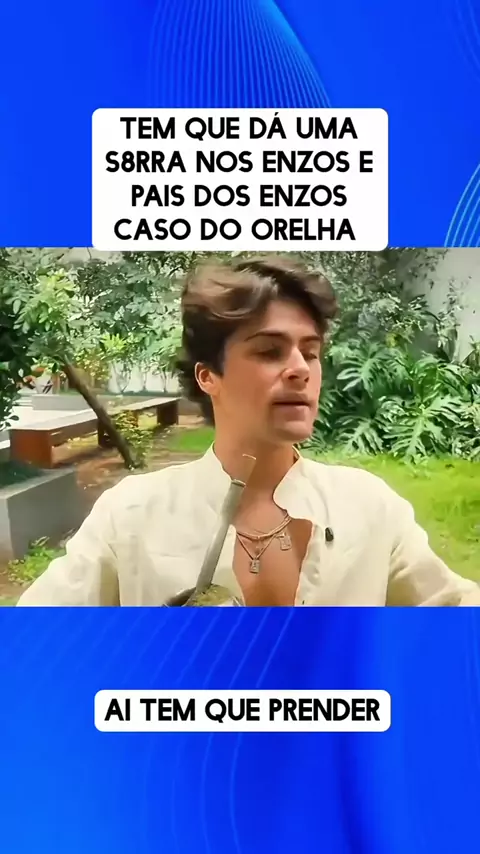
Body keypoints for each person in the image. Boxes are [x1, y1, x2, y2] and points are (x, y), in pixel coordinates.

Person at [17, 255, 480, 607]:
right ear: (208, 376)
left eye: (310, 352)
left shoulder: (370, 509)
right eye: (269, 351)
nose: (300, 369)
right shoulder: (131, 516)